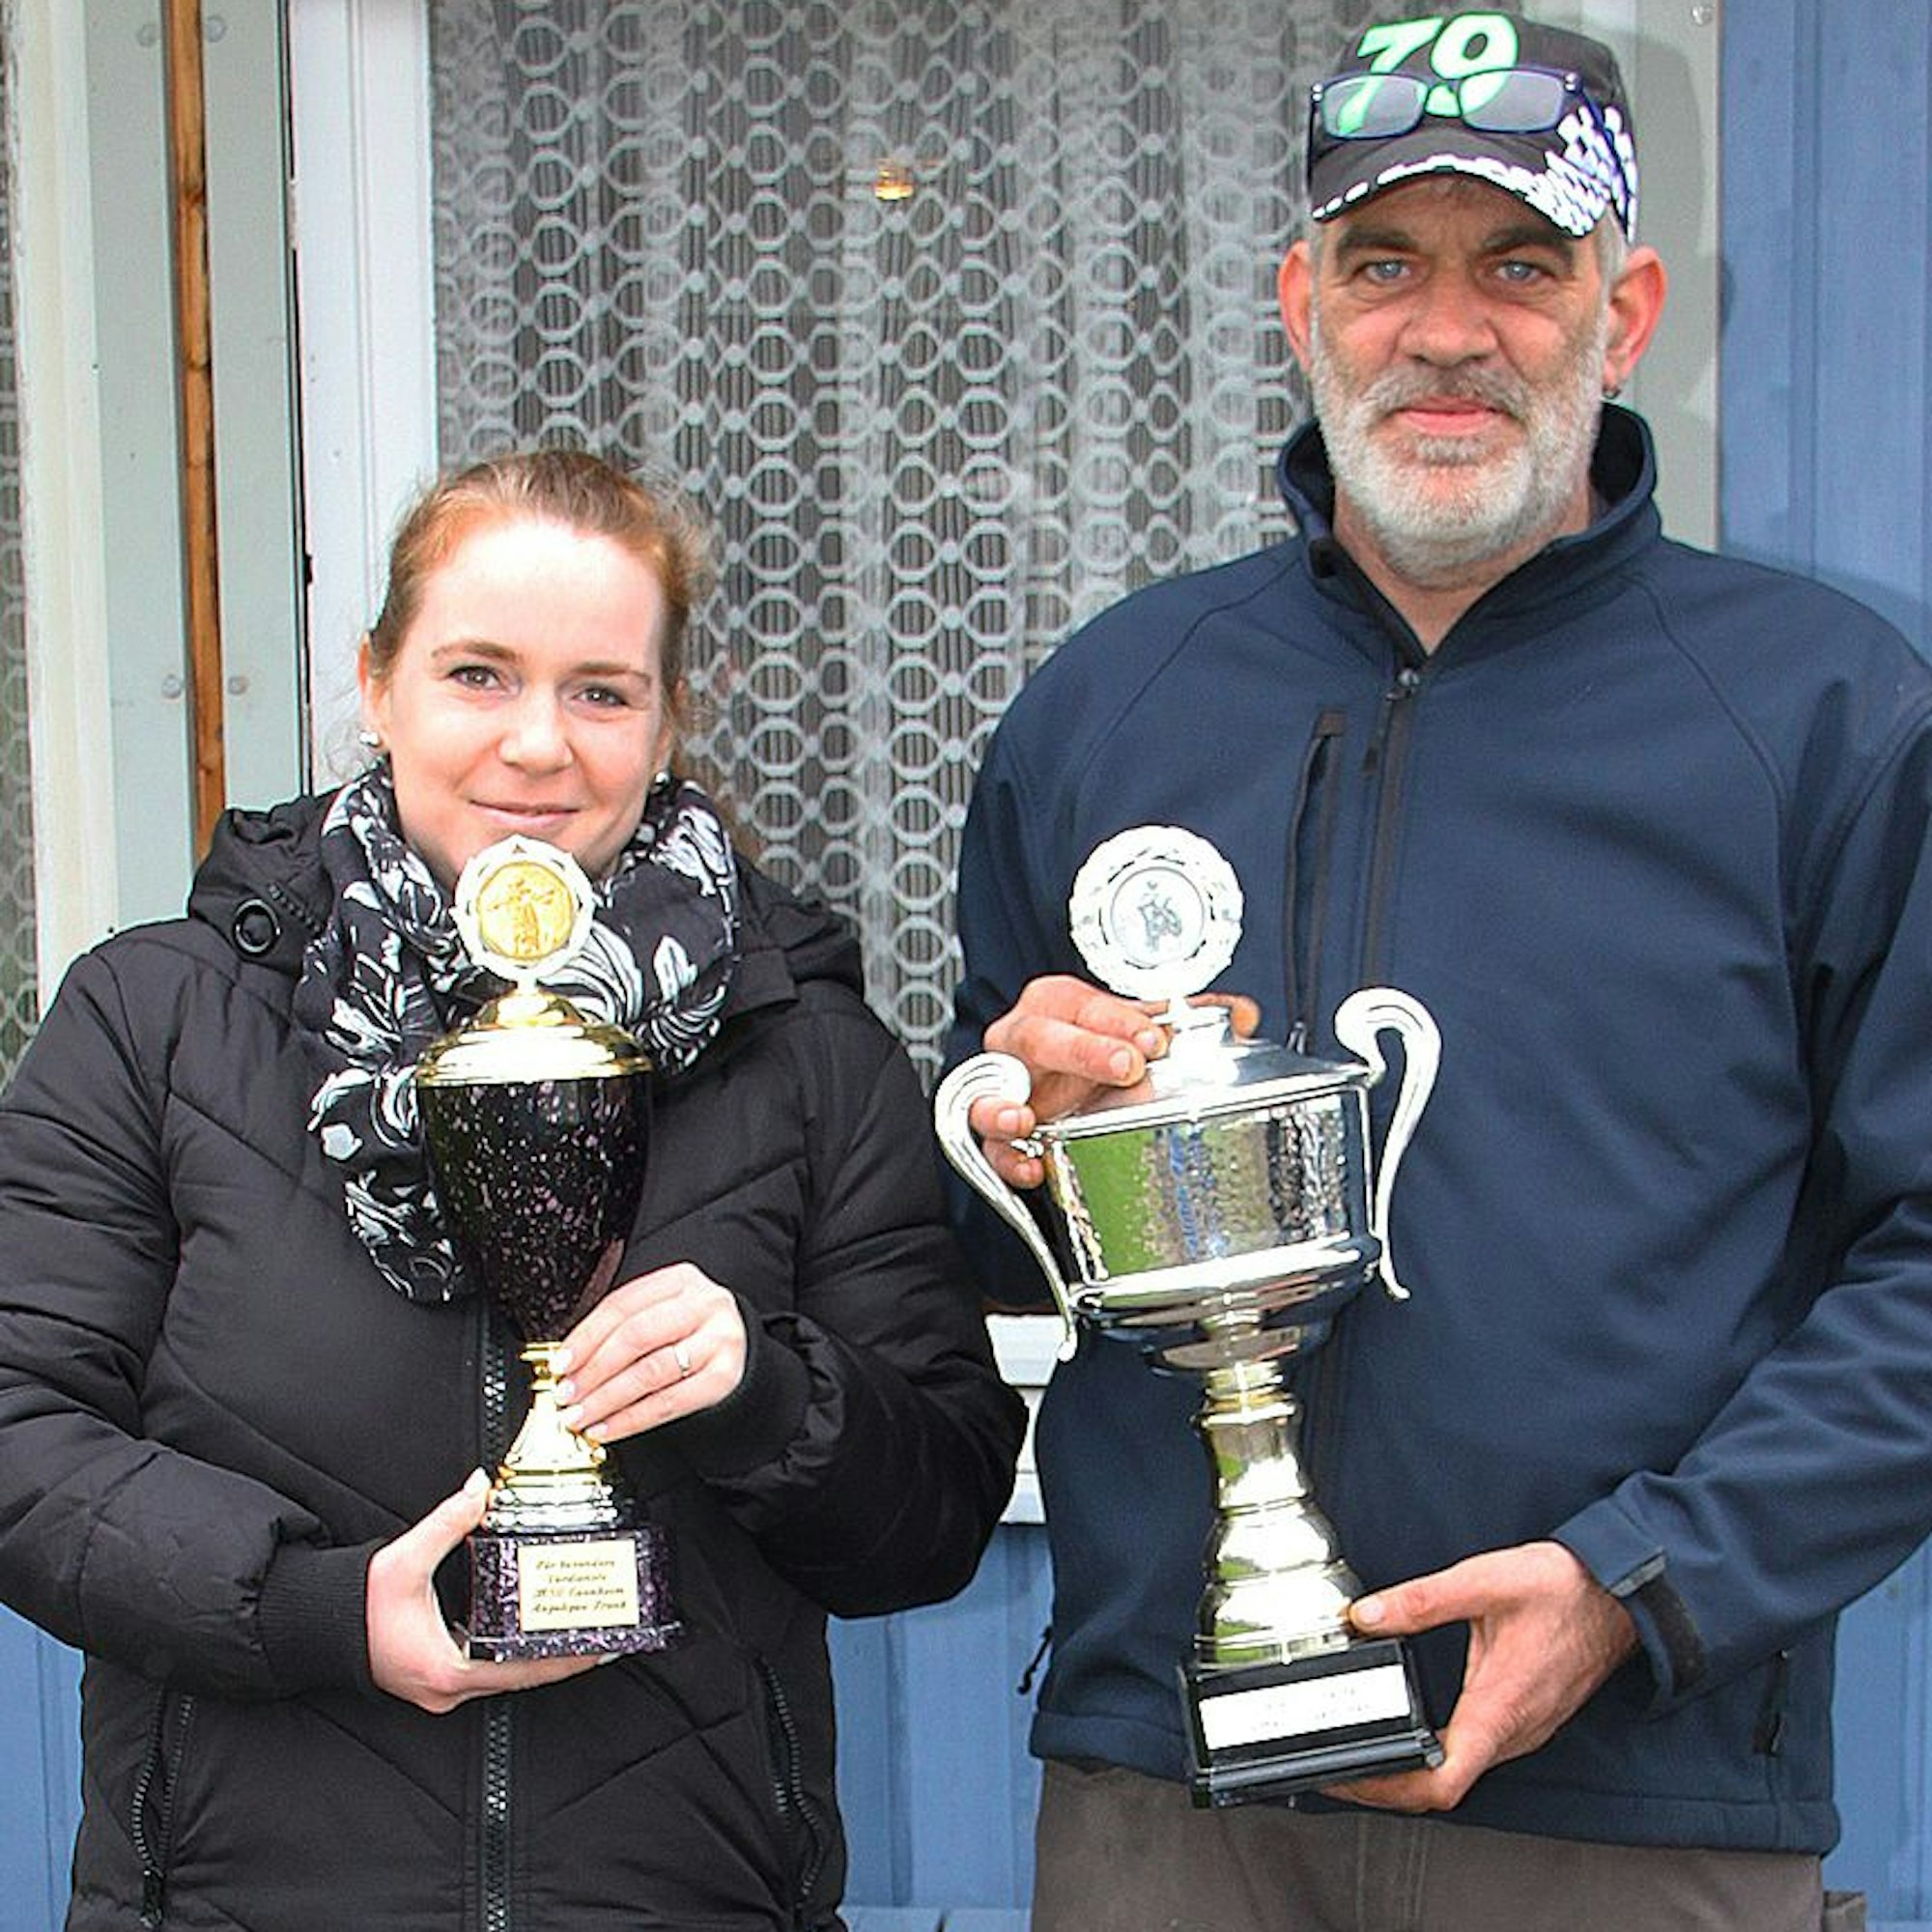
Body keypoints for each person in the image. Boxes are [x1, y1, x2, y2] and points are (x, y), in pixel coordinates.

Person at [947, 14, 1929, 1931]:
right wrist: (1016, 1150)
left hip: (1632, 1797)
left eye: (1522, 266)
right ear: (1299, 301)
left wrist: (1640, 1587)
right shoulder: (1110, 708)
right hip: (1171, 1799)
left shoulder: (1829, 720)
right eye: (1385, 262)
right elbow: (991, 1256)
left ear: (1625, 314)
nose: (1447, 329)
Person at [0, 447, 1025, 1931]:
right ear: (378, 683)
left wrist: (766, 1393)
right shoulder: (157, 1021)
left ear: (668, 718)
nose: (538, 744)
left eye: (601, 691)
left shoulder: (801, 1049)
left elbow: (935, 1509)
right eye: (479, 674)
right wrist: (313, 1608)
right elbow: (20, 1433)